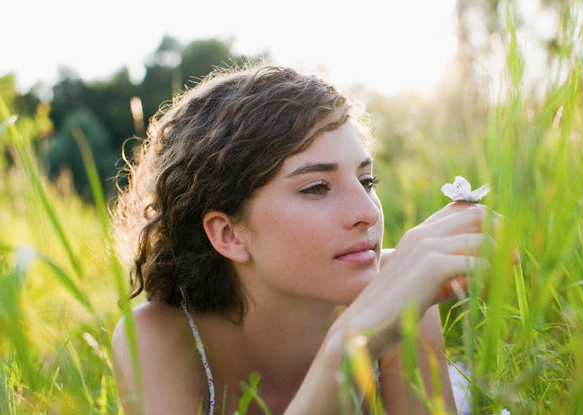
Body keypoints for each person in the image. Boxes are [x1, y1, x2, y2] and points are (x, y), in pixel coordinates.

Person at [111, 64, 507, 414]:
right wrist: (349, 345)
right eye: (317, 187)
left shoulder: (401, 291)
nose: (368, 213)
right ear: (228, 234)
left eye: (367, 182)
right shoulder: (159, 337)